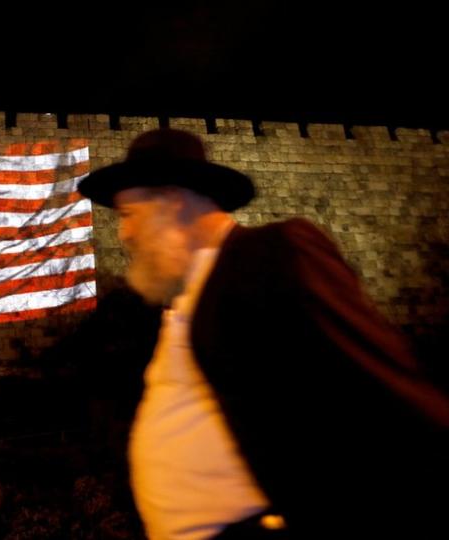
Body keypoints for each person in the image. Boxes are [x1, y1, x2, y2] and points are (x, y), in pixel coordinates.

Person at [76, 128, 449, 540]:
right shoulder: (189, 297)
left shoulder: (272, 255)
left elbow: (394, 401)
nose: (123, 235)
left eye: (128, 215)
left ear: (173, 200)